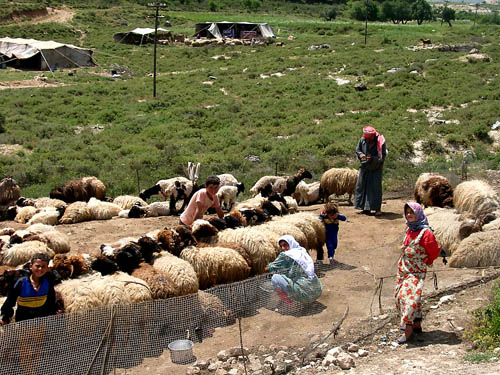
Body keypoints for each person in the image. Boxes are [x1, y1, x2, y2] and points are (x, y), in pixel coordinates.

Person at [395, 202, 440, 344]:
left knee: (407, 299)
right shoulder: (409, 229)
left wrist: (427, 260)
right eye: (407, 212)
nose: (409, 215)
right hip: (404, 270)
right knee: (413, 298)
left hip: (416, 272)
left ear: (418, 213)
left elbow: (434, 250)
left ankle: (407, 331)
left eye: (412, 212)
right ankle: (416, 325)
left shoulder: (425, 233)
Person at [1, 253, 59, 325]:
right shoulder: (21, 283)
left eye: (43, 266)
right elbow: (9, 302)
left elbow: (51, 302)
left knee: (39, 336)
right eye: (37, 266)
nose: (40, 269)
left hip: (41, 320)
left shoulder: (48, 283)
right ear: (31, 266)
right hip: (23, 321)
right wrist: (5, 318)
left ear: (47, 268)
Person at [267, 235, 323, 307]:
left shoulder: (286, 255)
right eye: (281, 246)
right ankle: (304, 299)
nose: (283, 248)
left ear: (290, 243)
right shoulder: (302, 251)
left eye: (285, 245)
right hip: (317, 292)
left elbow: (270, 267)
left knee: (275, 278)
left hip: (305, 296)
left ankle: (291, 304)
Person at [354, 125, 387, 216]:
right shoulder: (362, 140)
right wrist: (361, 155)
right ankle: (364, 208)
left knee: (375, 188)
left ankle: (377, 209)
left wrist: (373, 159)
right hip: (365, 167)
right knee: (362, 187)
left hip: (376, 168)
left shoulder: (381, 142)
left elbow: (382, 156)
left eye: (369, 138)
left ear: (372, 136)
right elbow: (358, 149)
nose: (367, 140)